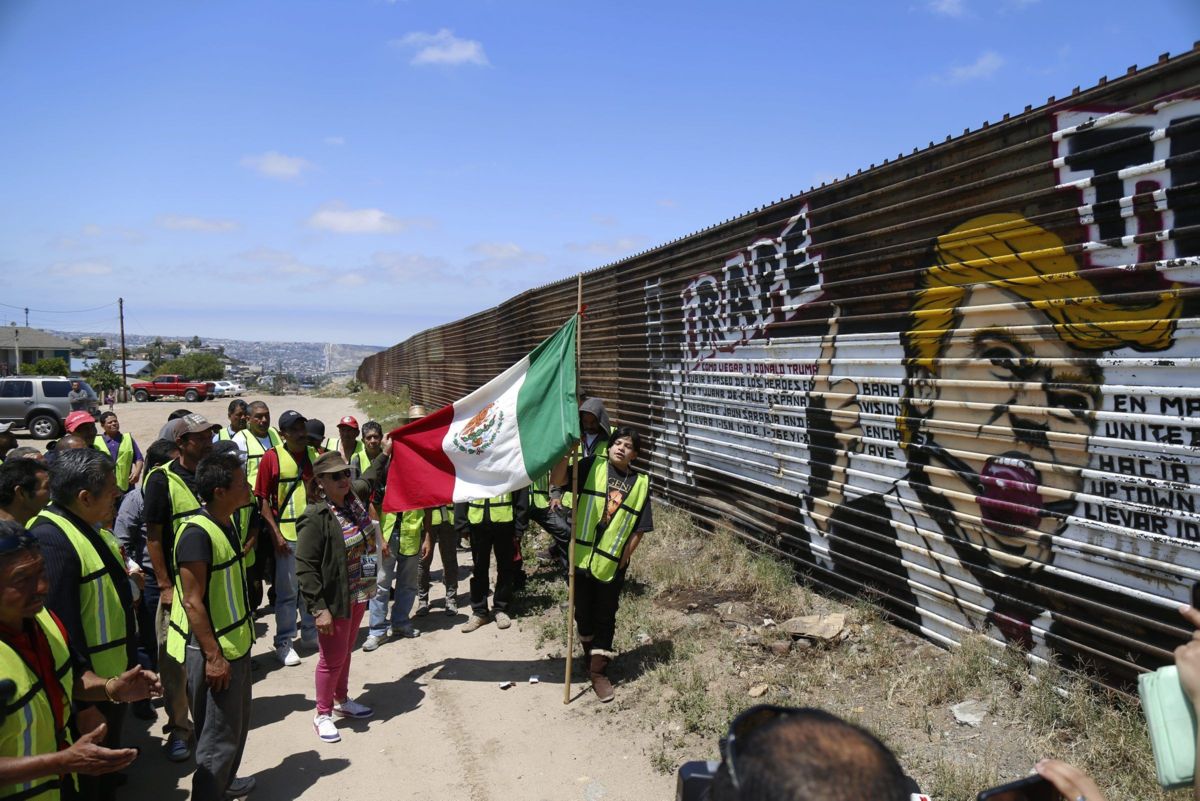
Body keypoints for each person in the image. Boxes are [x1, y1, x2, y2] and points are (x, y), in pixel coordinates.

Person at [0, 519, 162, 801]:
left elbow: (71, 677)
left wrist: (112, 688)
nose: (40, 587)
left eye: (41, 571)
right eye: (21, 579)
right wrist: (62, 761)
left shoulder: (44, 621)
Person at [28, 449, 139, 799]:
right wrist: (84, 707)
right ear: (84, 497)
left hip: (108, 682)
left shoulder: (85, 526)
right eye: (110, 489)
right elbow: (58, 632)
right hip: (88, 692)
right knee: (91, 784)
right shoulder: (52, 538)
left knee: (107, 775)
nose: (117, 494)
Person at [166, 450, 255, 801]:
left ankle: (226, 783)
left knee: (234, 727)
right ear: (219, 491)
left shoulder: (227, 522)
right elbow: (192, 601)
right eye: (240, 482)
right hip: (215, 652)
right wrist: (214, 657)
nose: (247, 487)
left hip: (237, 643)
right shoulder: (195, 534)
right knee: (216, 739)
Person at [551, 426, 653, 702]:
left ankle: (598, 674)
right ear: (608, 446)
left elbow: (640, 528)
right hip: (582, 557)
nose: (620, 448)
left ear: (635, 454)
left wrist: (623, 559)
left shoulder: (640, 483)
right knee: (582, 613)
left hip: (611, 564)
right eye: (617, 442)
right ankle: (589, 657)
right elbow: (558, 478)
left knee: (605, 616)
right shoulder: (589, 466)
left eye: (628, 446)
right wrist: (565, 453)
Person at [296, 449, 389, 744]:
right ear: (320, 481)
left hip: (360, 590)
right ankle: (322, 713)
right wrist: (318, 608)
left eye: (345, 473)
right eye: (335, 476)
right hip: (335, 599)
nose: (344, 479)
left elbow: (370, 475)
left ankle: (341, 699)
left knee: (346, 651)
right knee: (331, 658)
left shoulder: (354, 496)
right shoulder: (316, 516)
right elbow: (306, 567)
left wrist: (386, 451)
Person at [143, 414, 220, 762]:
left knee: (209, 654)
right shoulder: (162, 480)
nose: (207, 442)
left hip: (213, 583)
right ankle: (178, 728)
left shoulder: (212, 473)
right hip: (178, 587)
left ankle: (209, 724)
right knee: (174, 660)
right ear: (181, 444)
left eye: (209, 436)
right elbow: (154, 536)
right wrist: (164, 584)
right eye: (199, 438)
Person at [113, 439, 178, 716]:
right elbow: (121, 542)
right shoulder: (136, 499)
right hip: (150, 579)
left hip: (180, 576)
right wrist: (136, 577)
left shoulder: (182, 493)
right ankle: (143, 698)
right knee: (149, 642)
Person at [256, 410, 320, 666]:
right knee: (286, 593)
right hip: (287, 536)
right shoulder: (272, 458)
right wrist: (276, 534)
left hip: (312, 534)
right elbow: (261, 499)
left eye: (302, 428)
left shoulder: (314, 455)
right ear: (283, 434)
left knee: (311, 588)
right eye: (294, 429)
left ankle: (309, 633)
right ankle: (283, 641)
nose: (300, 433)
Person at [455, 489, 527, 634]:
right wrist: (462, 523)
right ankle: (480, 612)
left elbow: (520, 489)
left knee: (506, 568)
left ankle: (501, 609)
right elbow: (463, 488)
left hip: (505, 522)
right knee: (479, 569)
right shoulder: (472, 465)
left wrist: (520, 525)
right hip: (477, 522)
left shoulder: (508, 464)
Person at [366, 495, 429, 649]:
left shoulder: (421, 478)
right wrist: (379, 538)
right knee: (380, 586)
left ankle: (400, 622)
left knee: (408, 585)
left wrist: (427, 538)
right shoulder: (386, 474)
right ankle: (377, 631)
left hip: (412, 538)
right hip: (387, 538)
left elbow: (429, 507)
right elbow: (372, 506)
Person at [93, 412, 143, 494]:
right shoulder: (96, 441)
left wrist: (137, 472)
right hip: (105, 488)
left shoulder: (128, 439)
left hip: (126, 487)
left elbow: (139, 459)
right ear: (102, 426)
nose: (114, 424)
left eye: (115, 421)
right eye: (110, 422)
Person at [0, 458, 50, 527]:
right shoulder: (7, 536)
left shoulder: (18, 532)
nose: (52, 492)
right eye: (47, 487)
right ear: (21, 493)